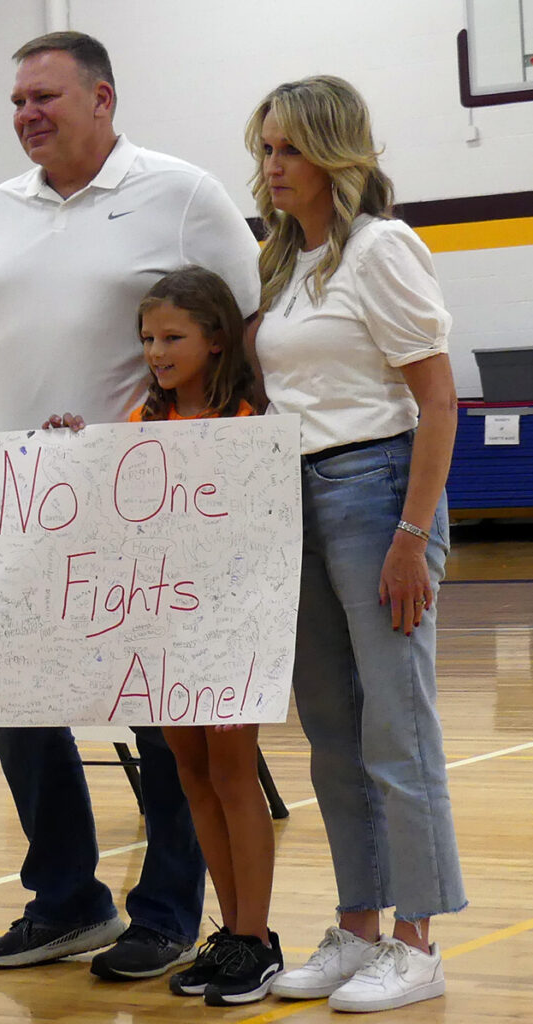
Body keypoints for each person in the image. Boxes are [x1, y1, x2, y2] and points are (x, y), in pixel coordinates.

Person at [0, 31, 261, 981]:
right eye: (17, 101)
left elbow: (246, 334)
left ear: (102, 98)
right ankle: (67, 902)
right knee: (10, 702)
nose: (26, 114)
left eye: (43, 96)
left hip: (149, 508)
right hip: (26, 503)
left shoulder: (184, 193)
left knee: (159, 718)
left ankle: (165, 914)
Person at [244, 76, 466, 1013]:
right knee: (332, 734)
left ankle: (417, 941)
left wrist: (411, 535)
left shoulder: (380, 249)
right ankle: (357, 926)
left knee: (395, 729)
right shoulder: (283, 262)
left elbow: (438, 401)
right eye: (264, 149)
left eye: (289, 148)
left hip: (375, 492)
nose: (271, 166)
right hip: (292, 495)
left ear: (335, 154)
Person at [45, 265, 284, 1006]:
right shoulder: (140, 420)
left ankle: (256, 939)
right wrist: (71, 451)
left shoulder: (250, 418)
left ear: (215, 339)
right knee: (190, 775)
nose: (155, 352)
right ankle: (229, 935)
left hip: (230, 623)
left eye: (171, 337)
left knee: (234, 775)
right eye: (147, 338)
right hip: (162, 625)